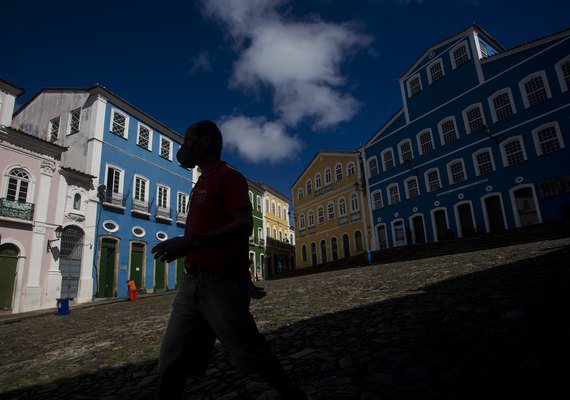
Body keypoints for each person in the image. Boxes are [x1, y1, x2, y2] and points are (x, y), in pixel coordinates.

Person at [151, 120, 308, 400]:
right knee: (171, 360)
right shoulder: (200, 183)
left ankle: (291, 393)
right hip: (192, 283)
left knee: (250, 352)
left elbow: (244, 225)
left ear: (206, 141)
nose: (183, 148)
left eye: (188, 141)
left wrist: (193, 243)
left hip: (220, 284)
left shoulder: (229, 178)